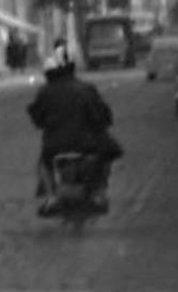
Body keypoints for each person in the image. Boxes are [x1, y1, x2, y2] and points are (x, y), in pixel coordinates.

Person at [27, 55, 121, 214]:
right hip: (88, 142)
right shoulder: (86, 88)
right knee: (107, 155)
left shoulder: (45, 91)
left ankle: (51, 197)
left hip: (55, 144)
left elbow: (37, 118)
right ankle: (99, 192)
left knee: (44, 164)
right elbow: (102, 116)